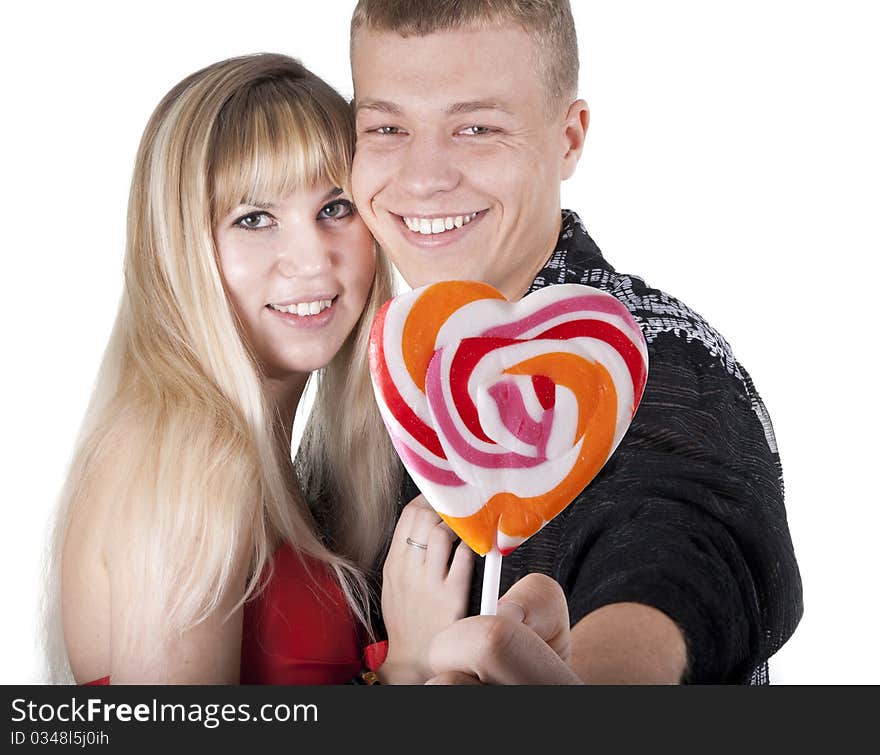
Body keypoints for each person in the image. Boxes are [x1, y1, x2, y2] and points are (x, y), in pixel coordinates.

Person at [349, 0, 803, 684]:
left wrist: (592, 683)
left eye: (476, 127)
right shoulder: (381, 369)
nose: (422, 177)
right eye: (387, 127)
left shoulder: (658, 356)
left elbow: (684, 547)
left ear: (569, 138)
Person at [43, 52, 472, 684]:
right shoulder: (186, 462)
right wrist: (407, 668)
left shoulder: (261, 465)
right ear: (179, 248)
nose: (311, 260)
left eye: (335, 208)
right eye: (254, 219)